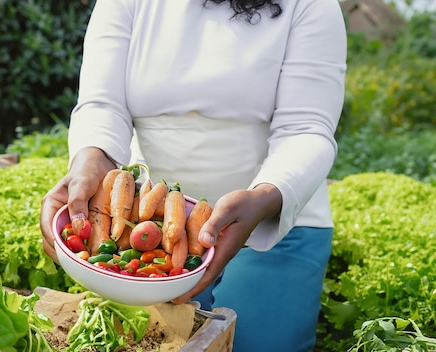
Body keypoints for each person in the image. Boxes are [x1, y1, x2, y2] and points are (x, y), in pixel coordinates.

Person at [39, 0, 347, 350]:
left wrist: (264, 196)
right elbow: (103, 104)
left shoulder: (311, 5)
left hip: (272, 222)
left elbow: (306, 128)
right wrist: (92, 159)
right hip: (148, 228)